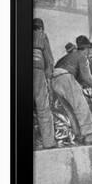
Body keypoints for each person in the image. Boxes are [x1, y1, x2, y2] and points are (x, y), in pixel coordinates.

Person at [53, 35, 92, 145]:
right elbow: (87, 77)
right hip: (65, 77)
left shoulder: (67, 57)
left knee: (70, 110)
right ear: (86, 49)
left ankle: (78, 136)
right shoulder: (82, 56)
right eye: (89, 49)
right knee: (81, 106)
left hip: (54, 80)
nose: (88, 52)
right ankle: (89, 136)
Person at [33, 18, 56, 149]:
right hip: (38, 71)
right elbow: (49, 59)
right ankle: (48, 142)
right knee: (43, 107)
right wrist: (49, 78)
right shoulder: (42, 36)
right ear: (41, 28)